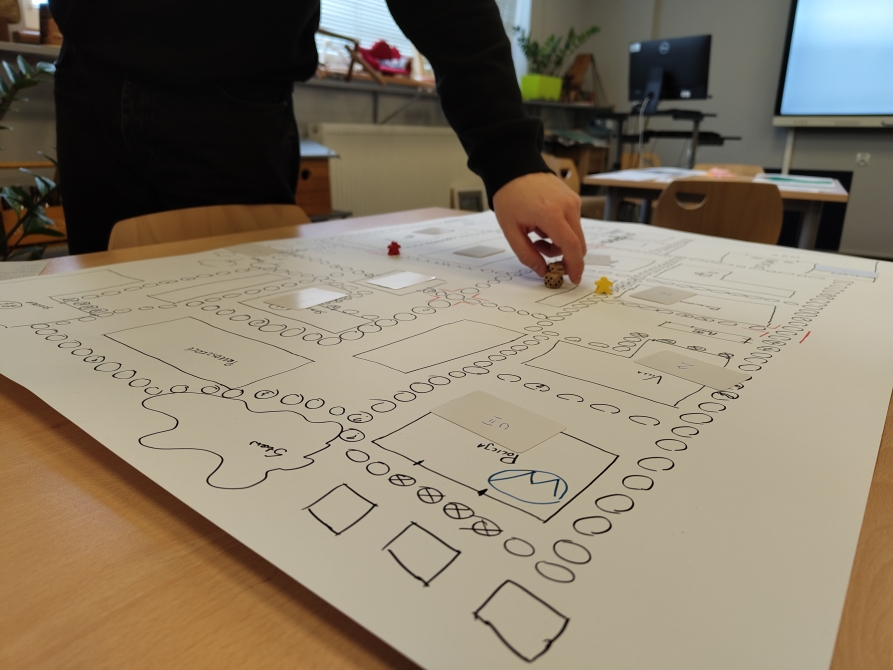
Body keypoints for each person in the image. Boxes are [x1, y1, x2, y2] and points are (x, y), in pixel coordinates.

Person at [48, 0, 586, 283]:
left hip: (238, 99)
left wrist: (511, 159)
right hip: (89, 78)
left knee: (240, 342)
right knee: (103, 324)